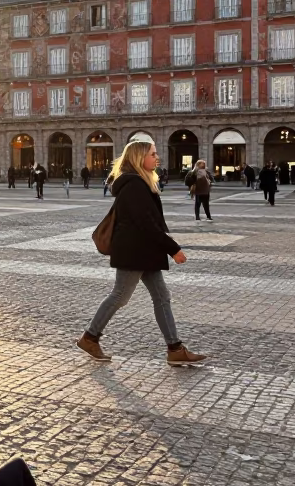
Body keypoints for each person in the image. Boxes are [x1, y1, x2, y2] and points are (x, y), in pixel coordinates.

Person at [77, 141, 206, 367]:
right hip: (134, 250)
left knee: (161, 296)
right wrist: (173, 248)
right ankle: (90, 337)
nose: (157, 158)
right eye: (153, 154)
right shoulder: (134, 185)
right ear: (139, 159)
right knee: (120, 295)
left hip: (143, 250)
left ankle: (175, 348)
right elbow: (146, 223)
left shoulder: (140, 183)